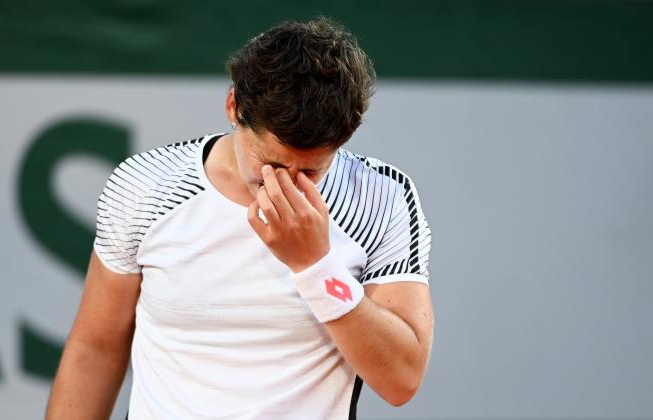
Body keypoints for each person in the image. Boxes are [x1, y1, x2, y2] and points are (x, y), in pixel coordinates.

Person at [45, 16, 434, 420]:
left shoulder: (380, 197)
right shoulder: (145, 186)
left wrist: (316, 266)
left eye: (312, 171)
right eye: (269, 162)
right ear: (234, 107)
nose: (284, 185)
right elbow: (96, 349)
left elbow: (401, 380)